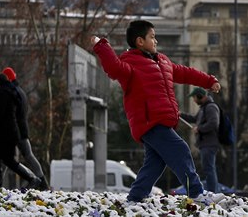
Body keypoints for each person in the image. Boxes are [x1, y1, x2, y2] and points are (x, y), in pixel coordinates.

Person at [90, 20, 221, 204]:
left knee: (155, 163)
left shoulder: (163, 62)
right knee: (180, 149)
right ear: (140, 41)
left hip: (163, 120)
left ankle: (134, 198)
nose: (156, 41)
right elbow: (114, 68)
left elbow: (185, 73)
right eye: (152, 37)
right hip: (149, 121)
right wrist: (101, 46)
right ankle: (197, 193)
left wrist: (208, 81)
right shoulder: (130, 64)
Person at [0, 74, 41, 189]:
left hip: (6, 135)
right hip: (3, 134)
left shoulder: (2, 94)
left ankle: (32, 178)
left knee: (8, 160)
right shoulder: (5, 93)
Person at [1, 66, 49, 190]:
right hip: (22, 129)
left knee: (5, 158)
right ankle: (42, 182)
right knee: (28, 156)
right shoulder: (20, 92)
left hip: (14, 131)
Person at [180, 87, 220, 193]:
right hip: (205, 143)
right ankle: (212, 191)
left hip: (209, 143)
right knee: (208, 169)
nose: (193, 100)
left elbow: (213, 123)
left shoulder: (210, 107)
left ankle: (212, 192)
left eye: (194, 97)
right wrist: (180, 114)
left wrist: (199, 128)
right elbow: (194, 119)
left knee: (209, 169)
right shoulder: (204, 108)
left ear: (200, 96)